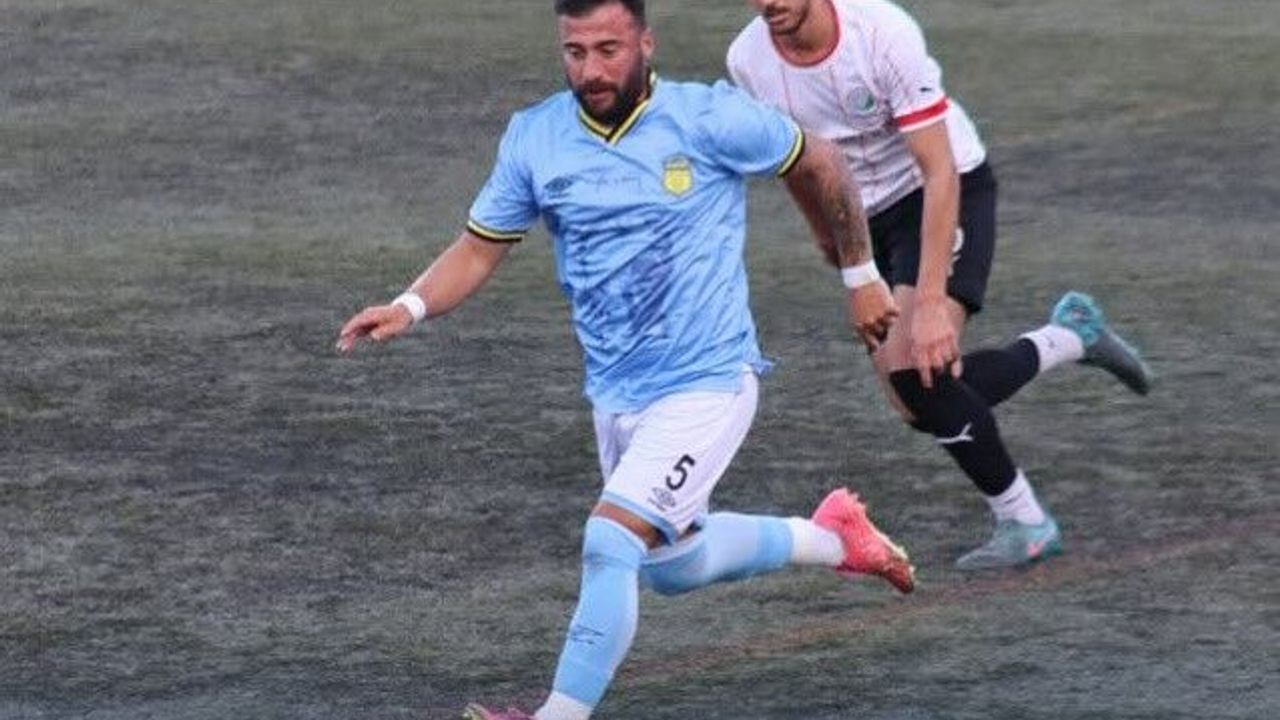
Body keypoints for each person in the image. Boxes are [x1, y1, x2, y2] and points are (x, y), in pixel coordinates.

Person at [337, 1, 916, 717]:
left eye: (608, 50)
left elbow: (821, 159)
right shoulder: (536, 137)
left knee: (610, 539)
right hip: (616, 392)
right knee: (675, 564)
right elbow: (480, 248)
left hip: (708, 380)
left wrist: (861, 276)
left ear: (646, 43)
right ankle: (833, 539)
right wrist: (410, 305)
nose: (591, 69)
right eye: (575, 52)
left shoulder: (709, 118)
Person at [728, 0, 1153, 569]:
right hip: (865, 218)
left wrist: (929, 303)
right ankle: (1072, 337)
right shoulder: (748, 59)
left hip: (941, 192)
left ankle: (1026, 521)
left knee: (919, 374)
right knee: (916, 403)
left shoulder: (881, 33)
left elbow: (940, 169)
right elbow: (796, 159)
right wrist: (826, 232)